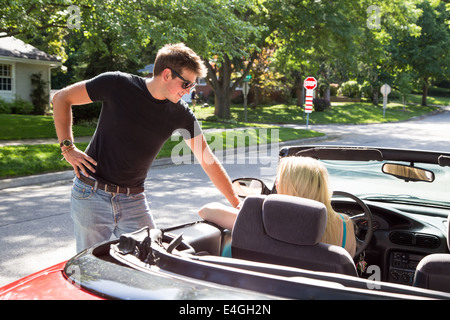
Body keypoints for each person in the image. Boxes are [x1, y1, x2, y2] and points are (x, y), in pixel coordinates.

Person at [53, 43, 240, 252]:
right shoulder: (117, 84)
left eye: (192, 86)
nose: (189, 91)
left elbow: (207, 159)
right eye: (186, 84)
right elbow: (62, 97)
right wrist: (68, 148)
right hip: (91, 194)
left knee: (153, 258)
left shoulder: (180, 113)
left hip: (133, 199)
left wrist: (236, 203)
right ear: (167, 74)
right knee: (92, 268)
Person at [199, 156, 356, 257]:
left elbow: (206, 210)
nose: (275, 185)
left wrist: (245, 212)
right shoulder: (345, 225)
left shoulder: (264, 221)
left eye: (278, 181)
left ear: (286, 187)